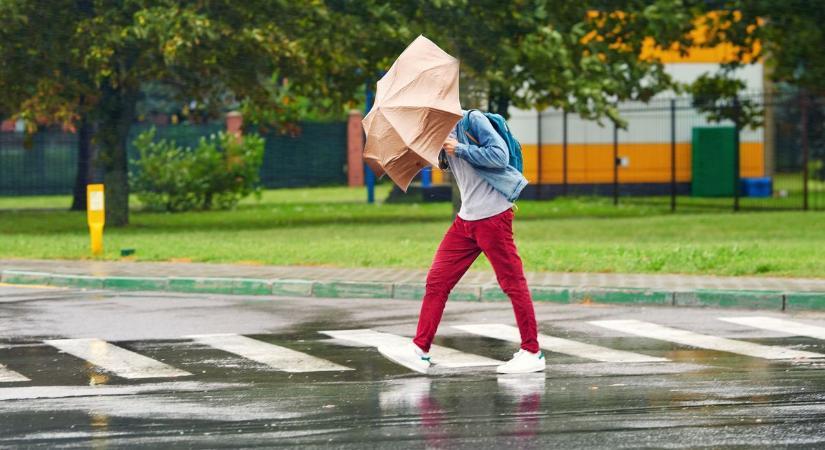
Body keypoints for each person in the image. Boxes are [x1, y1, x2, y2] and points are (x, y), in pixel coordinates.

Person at [380, 110, 544, 374]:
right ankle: (419, 350)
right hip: (466, 221)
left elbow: (499, 156)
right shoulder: (438, 132)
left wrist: (460, 148)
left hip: (493, 217)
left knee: (512, 283)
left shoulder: (472, 120)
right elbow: (447, 164)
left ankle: (532, 352)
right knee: (437, 281)